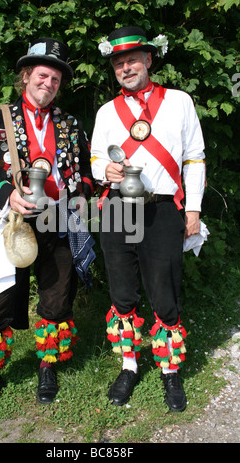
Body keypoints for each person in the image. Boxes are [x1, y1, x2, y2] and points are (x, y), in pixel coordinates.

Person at [0, 37, 94, 422]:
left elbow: (84, 171)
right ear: (26, 76)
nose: (48, 83)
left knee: (57, 299)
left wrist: (82, 193)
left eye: (55, 78)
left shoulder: (70, 123)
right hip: (11, 222)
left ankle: (47, 367)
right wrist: (6, 196)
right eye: (42, 75)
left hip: (58, 221)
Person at [91, 26, 206, 411]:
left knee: (165, 292)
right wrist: (103, 169)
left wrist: (193, 210)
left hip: (162, 210)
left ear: (149, 60)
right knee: (122, 292)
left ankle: (169, 371)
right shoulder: (107, 111)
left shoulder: (179, 101)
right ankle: (128, 365)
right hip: (117, 210)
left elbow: (194, 158)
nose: (126, 68)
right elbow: (94, 159)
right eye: (119, 63)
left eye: (132, 60)